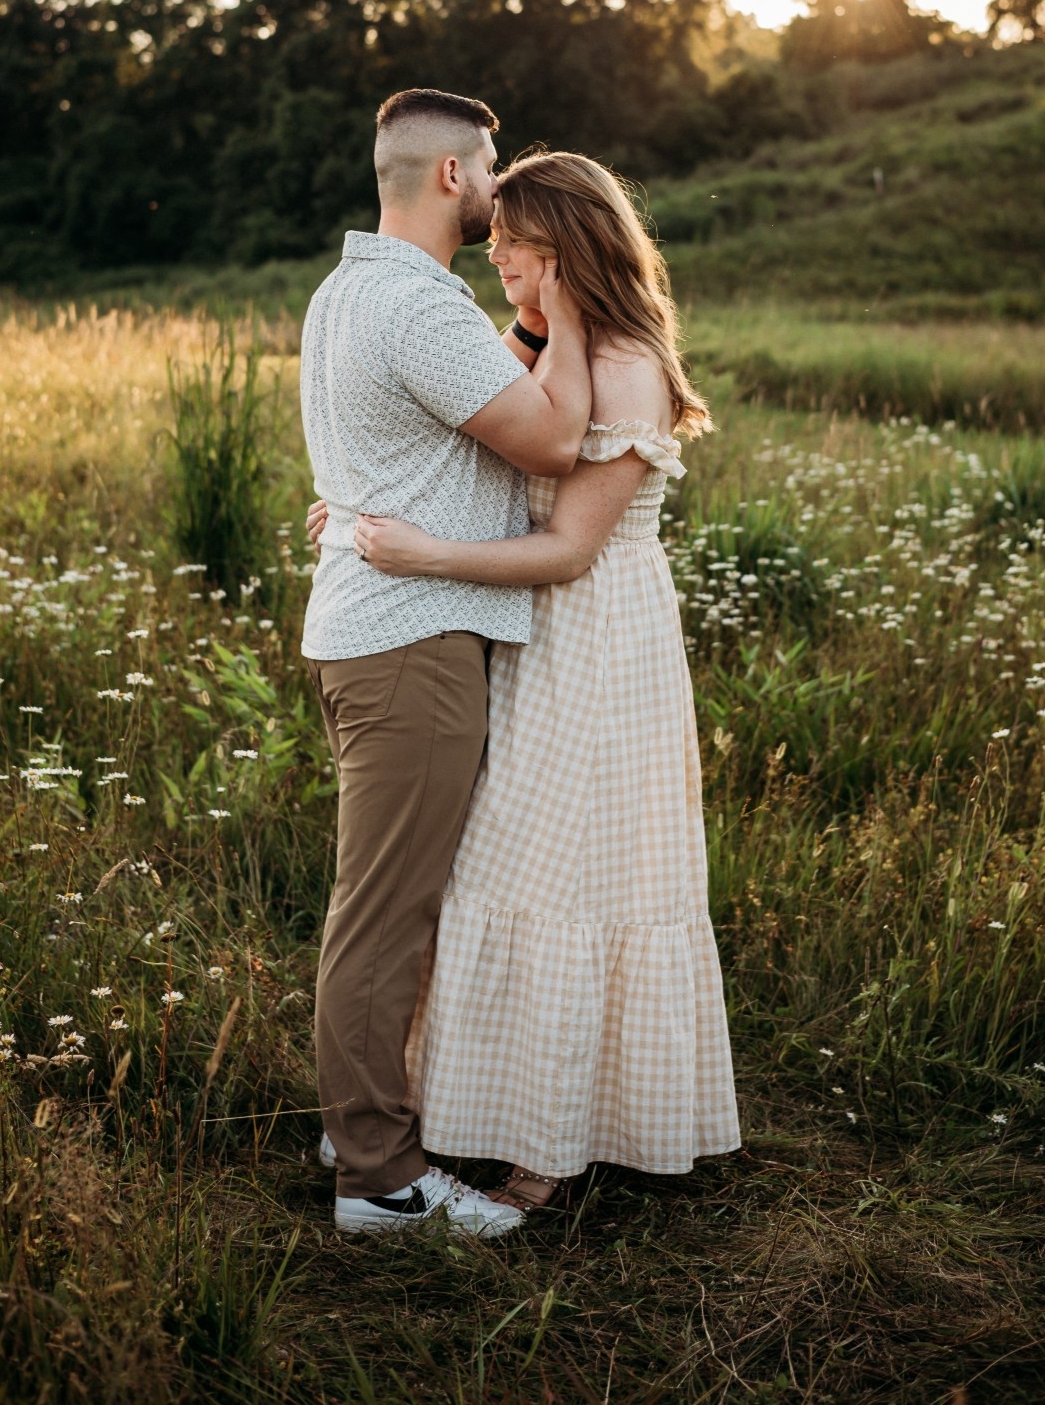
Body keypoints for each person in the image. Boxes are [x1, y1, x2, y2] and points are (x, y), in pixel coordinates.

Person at [339, 151, 740, 1211]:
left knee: (569, 881)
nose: (498, 253)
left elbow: (568, 548)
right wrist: (363, 515)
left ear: (569, 247)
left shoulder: (627, 362)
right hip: (526, 638)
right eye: (500, 237)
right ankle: (478, 1107)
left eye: (517, 240)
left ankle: (553, 1148)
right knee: (496, 871)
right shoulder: (550, 344)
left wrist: (420, 554)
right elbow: (479, 462)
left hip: (597, 644)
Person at [299, 88, 592, 1238]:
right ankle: (379, 1177)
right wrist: (569, 298)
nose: (500, 179)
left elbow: (427, 421)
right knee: (385, 912)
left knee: (378, 901)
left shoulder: (346, 290)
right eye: (491, 163)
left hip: (373, 626)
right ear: (452, 178)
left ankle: (354, 1118)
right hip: (411, 638)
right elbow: (553, 438)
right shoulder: (420, 307)